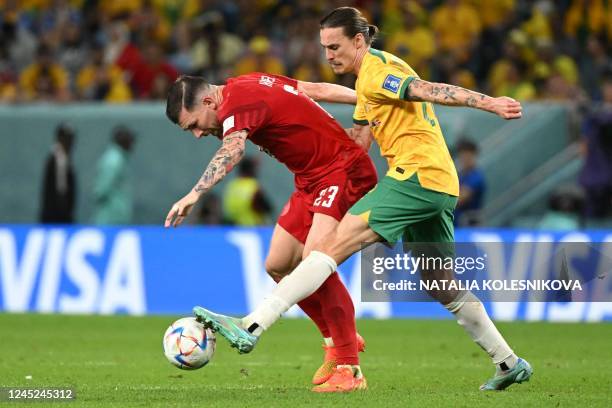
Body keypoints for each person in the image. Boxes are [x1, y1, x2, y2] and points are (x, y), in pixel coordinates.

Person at [193, 7, 533, 393]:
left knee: (328, 247)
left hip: (415, 177)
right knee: (440, 282)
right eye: (324, 47)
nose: (328, 56)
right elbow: (360, 133)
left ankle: (251, 324)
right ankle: (508, 362)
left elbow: (429, 90)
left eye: (335, 46)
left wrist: (490, 103)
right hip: (439, 184)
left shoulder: (376, 72)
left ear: (359, 41)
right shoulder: (377, 72)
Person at [164, 74, 377, 391]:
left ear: (209, 102)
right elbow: (313, 89)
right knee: (278, 264)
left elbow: (233, 150)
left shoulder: (235, 106)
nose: (197, 134)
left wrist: (195, 193)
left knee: (314, 259)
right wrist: (363, 99)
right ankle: (337, 337)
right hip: (310, 180)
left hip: (341, 170)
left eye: (193, 124)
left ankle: (349, 367)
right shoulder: (247, 81)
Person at [92, 126, 136, 224]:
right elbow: (101, 190)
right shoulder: (114, 160)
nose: (132, 143)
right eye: (129, 139)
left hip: (115, 217)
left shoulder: (118, 158)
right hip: (110, 218)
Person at [40, 123, 77, 224]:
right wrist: (64, 215)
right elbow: (61, 190)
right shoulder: (59, 158)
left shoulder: (59, 156)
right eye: (68, 138)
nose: (71, 143)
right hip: (56, 218)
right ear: (60, 138)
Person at [222, 156, 273, 226]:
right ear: (251, 169)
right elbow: (268, 209)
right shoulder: (254, 187)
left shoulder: (231, 186)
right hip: (253, 229)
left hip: (234, 229)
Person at [454, 138, 486, 226]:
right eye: (462, 155)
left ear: (474, 155)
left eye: (467, 155)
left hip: (468, 226)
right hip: (454, 225)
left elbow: (459, 200)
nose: (464, 159)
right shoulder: (460, 175)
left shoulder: (476, 177)